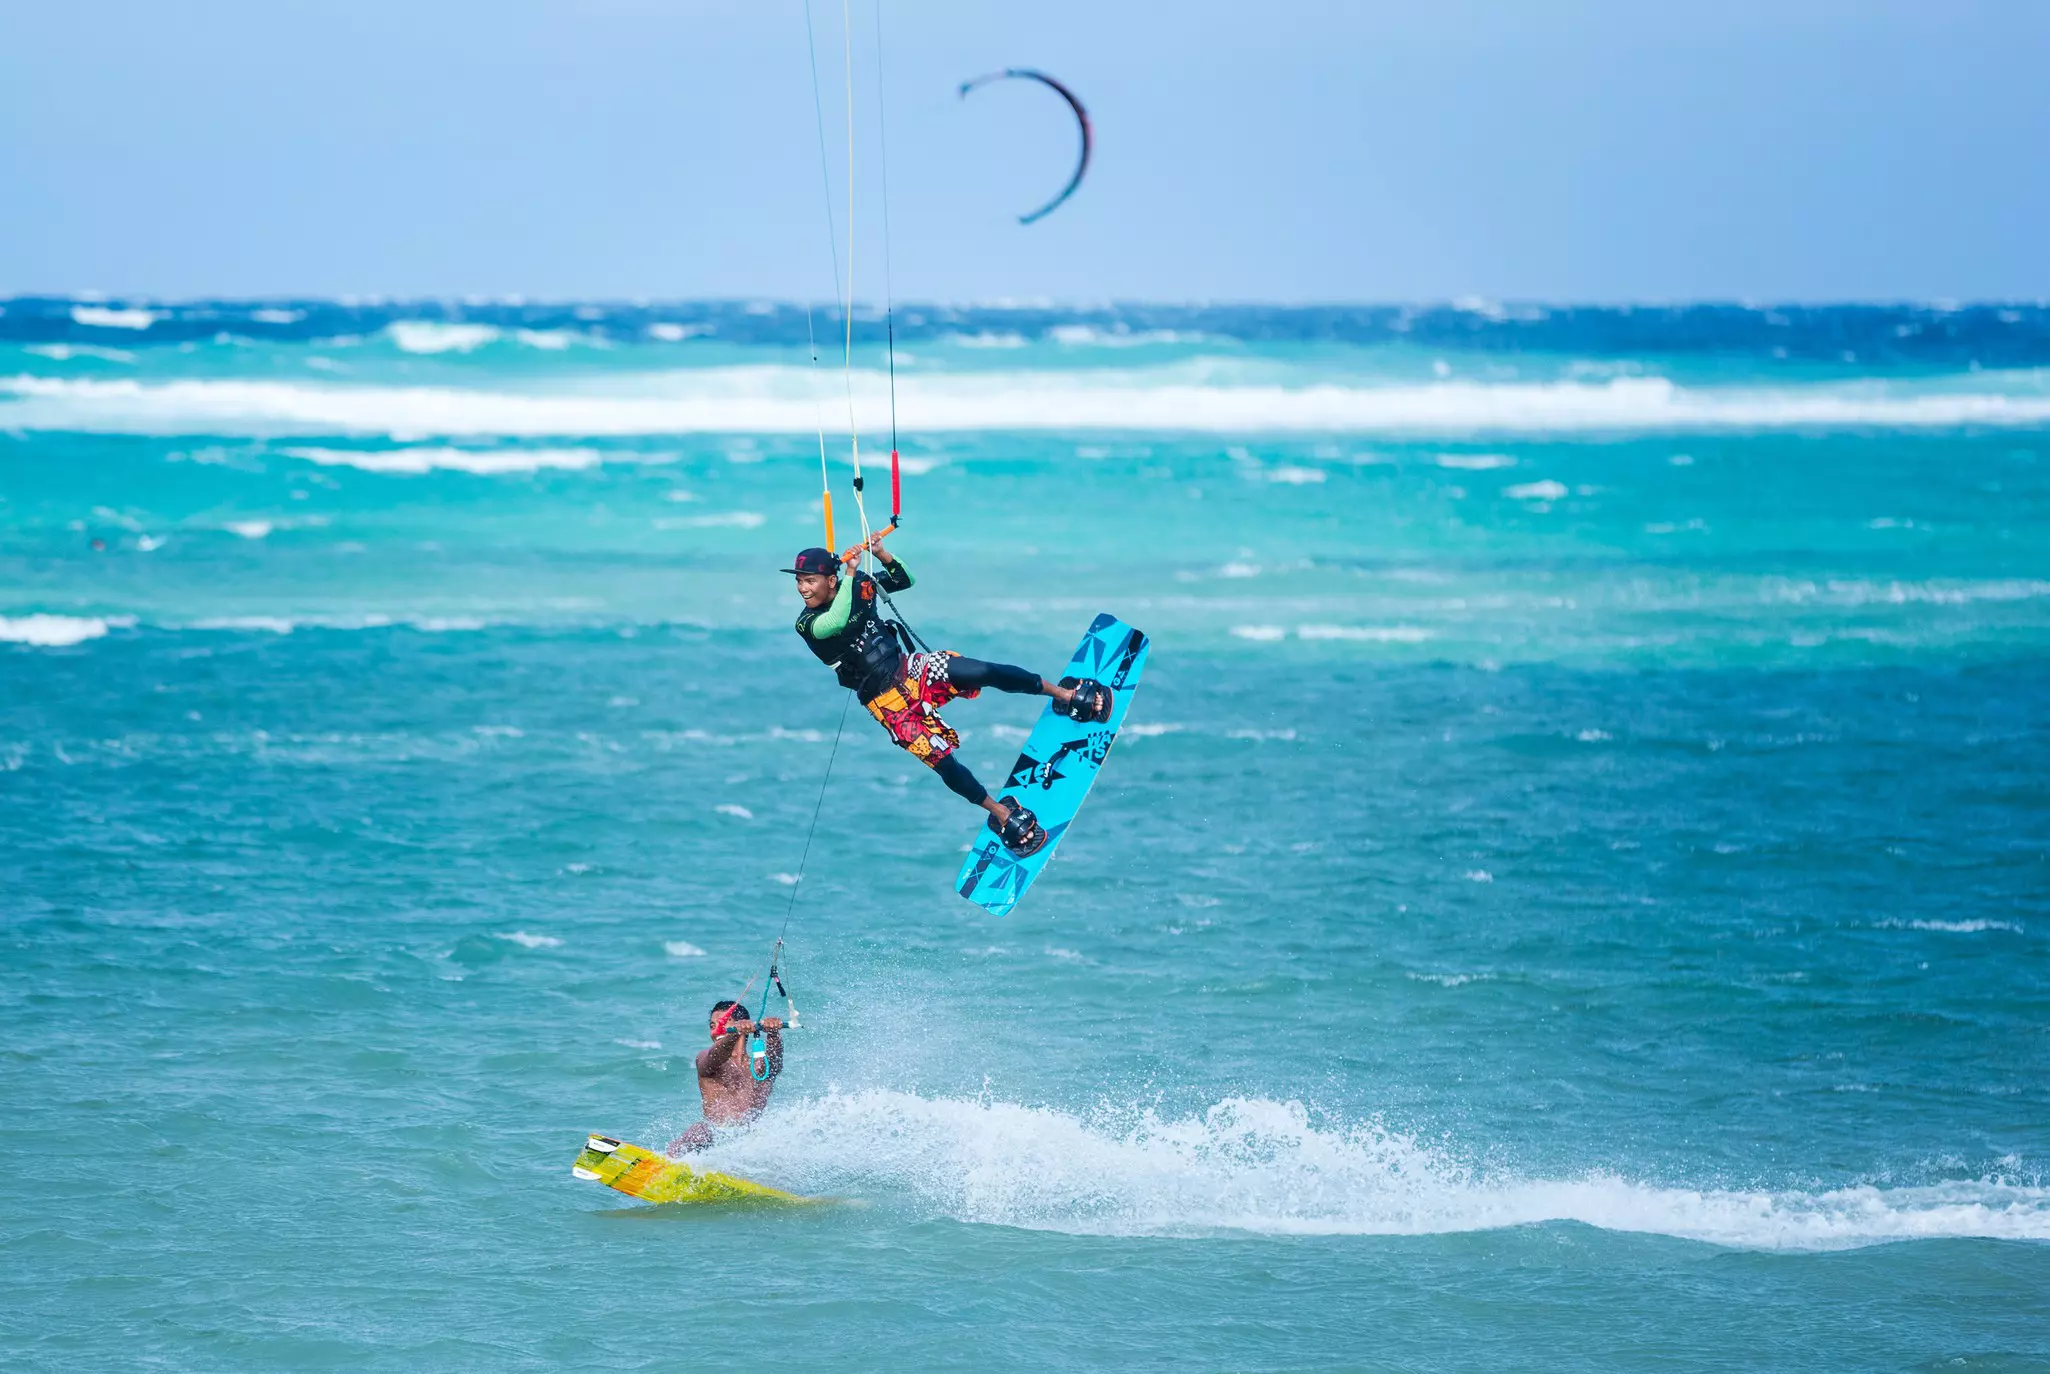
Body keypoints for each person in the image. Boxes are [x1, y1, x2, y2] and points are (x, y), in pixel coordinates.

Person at [786, 533, 1112, 856]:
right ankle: (1000, 813)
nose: (802, 588)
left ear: (830, 579)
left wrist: (883, 554)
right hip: (887, 704)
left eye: (809, 580)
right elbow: (837, 619)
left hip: (911, 669)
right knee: (944, 763)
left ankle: (1064, 695)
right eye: (799, 581)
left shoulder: (859, 587)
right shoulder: (809, 623)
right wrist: (852, 574)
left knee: (984, 671)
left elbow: (904, 579)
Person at [667, 1000, 785, 1156]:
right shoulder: (705, 1059)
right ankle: (666, 1162)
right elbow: (716, 1055)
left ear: (744, 1025)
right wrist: (733, 1034)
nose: (715, 1030)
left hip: (750, 1145)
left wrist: (773, 1034)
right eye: (712, 1025)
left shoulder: (760, 1068)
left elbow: (774, 1064)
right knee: (700, 1130)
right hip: (714, 1140)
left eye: (722, 1023)